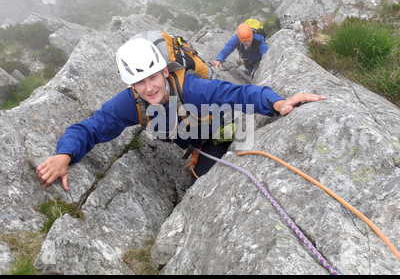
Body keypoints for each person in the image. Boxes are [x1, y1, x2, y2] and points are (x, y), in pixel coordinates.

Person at [36, 37, 326, 191]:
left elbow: (237, 94)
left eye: (153, 77)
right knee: (198, 186)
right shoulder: (131, 103)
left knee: (202, 185)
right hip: (196, 142)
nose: (148, 88)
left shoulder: (191, 86)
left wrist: (276, 102)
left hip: (220, 130)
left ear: (164, 70)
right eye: (139, 82)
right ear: (131, 85)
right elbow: (90, 128)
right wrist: (65, 154)